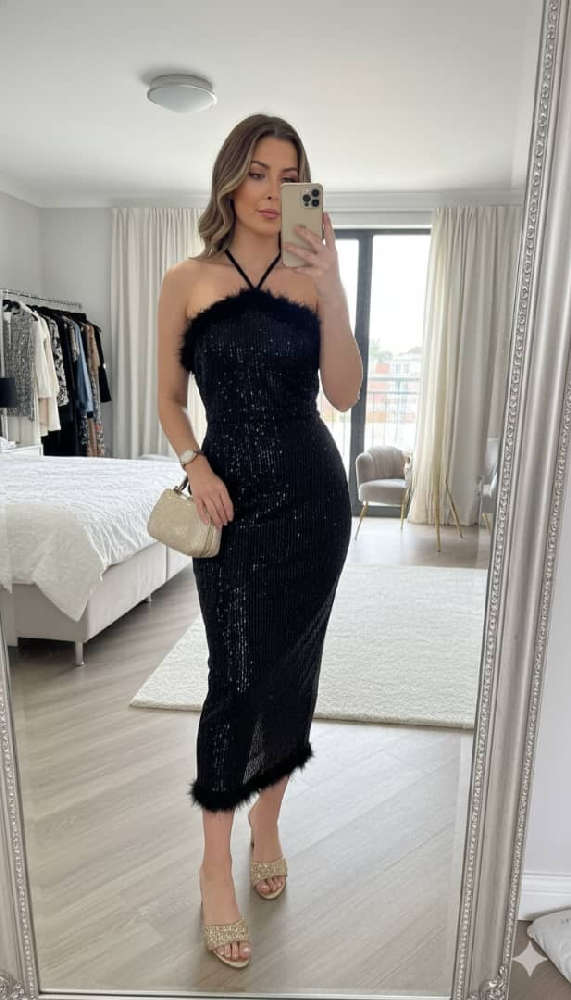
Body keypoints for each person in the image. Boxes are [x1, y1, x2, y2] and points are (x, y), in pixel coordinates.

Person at [157, 113, 362, 969]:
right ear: (229, 180)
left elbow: (342, 395)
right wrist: (195, 462)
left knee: (291, 676)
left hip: (315, 503)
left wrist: (336, 290)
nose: (273, 191)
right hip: (229, 509)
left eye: (289, 175)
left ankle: (266, 827)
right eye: (257, 173)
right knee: (234, 678)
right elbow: (168, 398)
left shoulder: (314, 279)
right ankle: (214, 866)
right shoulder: (186, 279)